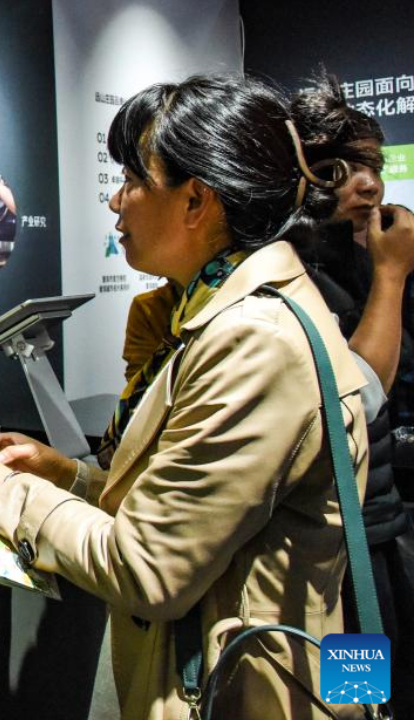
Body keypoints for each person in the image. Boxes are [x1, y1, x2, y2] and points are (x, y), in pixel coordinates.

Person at [0, 74, 372, 719]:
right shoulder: (235, 315)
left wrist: (10, 494)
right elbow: (199, 514)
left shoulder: (254, 343)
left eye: (134, 180)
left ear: (197, 201)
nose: (117, 202)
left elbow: (150, 570)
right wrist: (69, 475)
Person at [291, 72, 414, 719]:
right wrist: (392, 277)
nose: (368, 183)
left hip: (386, 532)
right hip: (344, 549)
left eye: (374, 164)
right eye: (344, 167)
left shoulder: (369, 255)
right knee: (357, 703)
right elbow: (359, 397)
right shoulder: (297, 272)